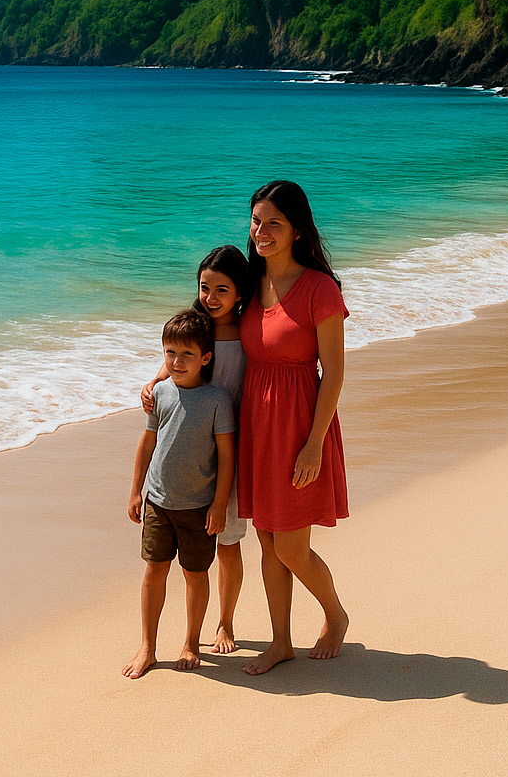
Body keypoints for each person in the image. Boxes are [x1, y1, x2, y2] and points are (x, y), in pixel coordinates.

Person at [237, 180, 350, 676]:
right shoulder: (248, 281)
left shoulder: (318, 289)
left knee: (290, 545)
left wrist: (314, 445)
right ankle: (280, 641)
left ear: (297, 230)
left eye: (273, 224)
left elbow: (336, 372)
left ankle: (336, 615)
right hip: (256, 426)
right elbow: (204, 324)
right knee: (265, 539)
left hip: (300, 427)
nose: (261, 232)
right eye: (256, 221)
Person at [141, 245, 252, 653]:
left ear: (240, 293)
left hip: (231, 445)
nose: (211, 297)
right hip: (189, 445)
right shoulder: (198, 326)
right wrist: (153, 383)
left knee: (228, 540)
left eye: (222, 289)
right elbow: (175, 358)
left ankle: (225, 623)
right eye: (205, 287)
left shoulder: (250, 329)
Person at [123, 309, 237, 678]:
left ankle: (190, 641)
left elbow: (226, 455)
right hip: (157, 501)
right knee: (154, 571)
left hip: (198, 506)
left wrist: (219, 504)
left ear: (206, 357)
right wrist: (135, 490)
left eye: (186, 354)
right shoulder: (160, 393)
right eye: (170, 352)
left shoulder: (218, 400)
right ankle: (148, 646)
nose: (176, 361)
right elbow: (147, 442)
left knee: (194, 573)